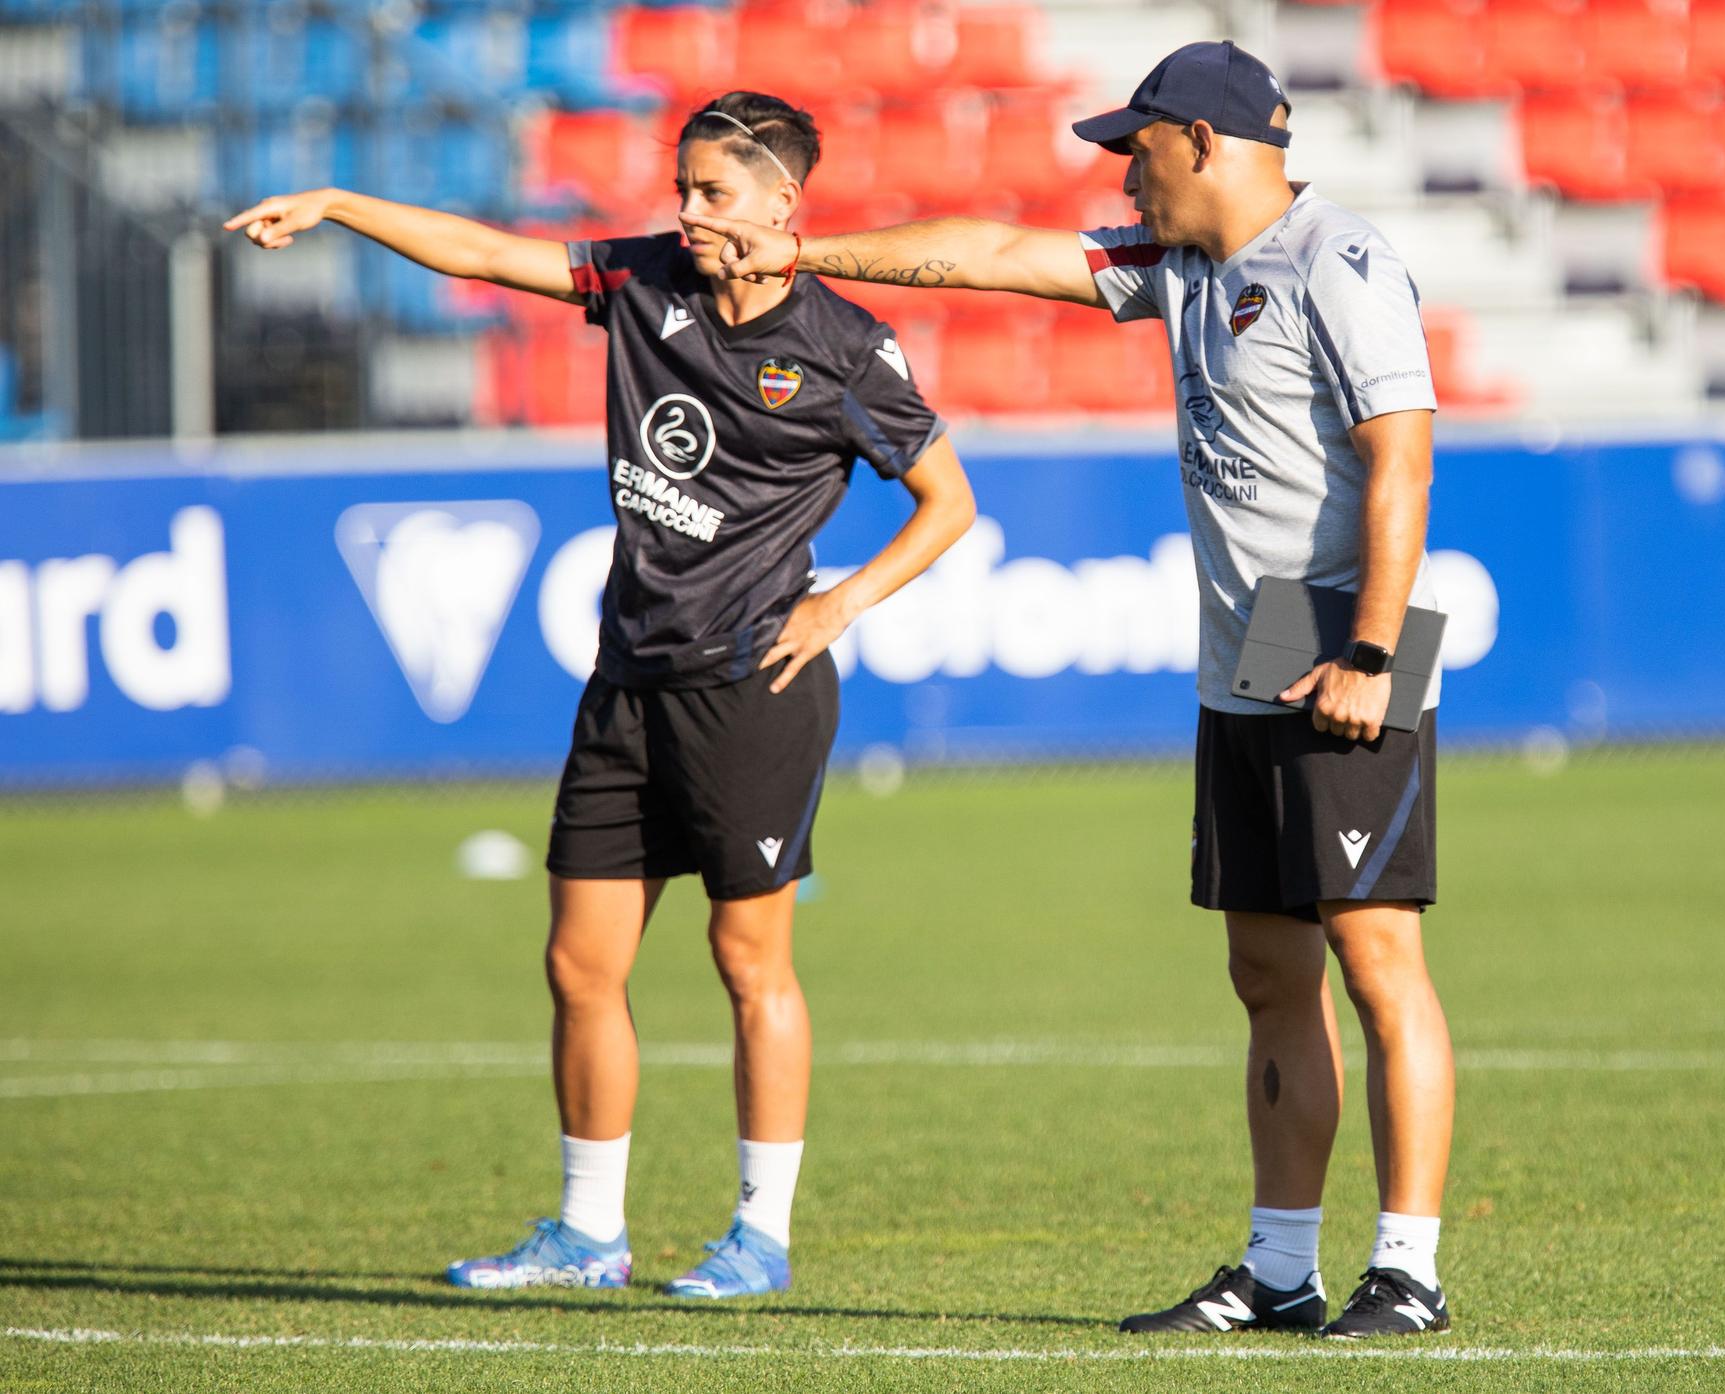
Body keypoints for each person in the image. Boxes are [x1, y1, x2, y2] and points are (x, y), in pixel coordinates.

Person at [684, 43, 1456, 1339]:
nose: (1122, 170)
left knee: (1379, 961)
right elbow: (992, 253)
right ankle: (1280, 1270)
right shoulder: (1179, 270)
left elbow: (1402, 463)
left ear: (1203, 144)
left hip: (1346, 637)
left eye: (1137, 147)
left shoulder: (1341, 262)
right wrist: (807, 255)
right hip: (1248, 652)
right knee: (1268, 970)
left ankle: (1411, 1270)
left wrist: (1373, 654)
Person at [224, 91, 975, 1300]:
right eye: (679, 187)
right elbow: (481, 251)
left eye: (711, 192)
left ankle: (761, 1236)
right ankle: (587, 1230)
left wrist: (837, 606)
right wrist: (339, 204)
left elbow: (949, 501)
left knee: (749, 959)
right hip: (626, 679)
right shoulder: (640, 283)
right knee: (580, 963)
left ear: (783, 204)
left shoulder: (843, 344)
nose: (685, 212)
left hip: (753, 687)